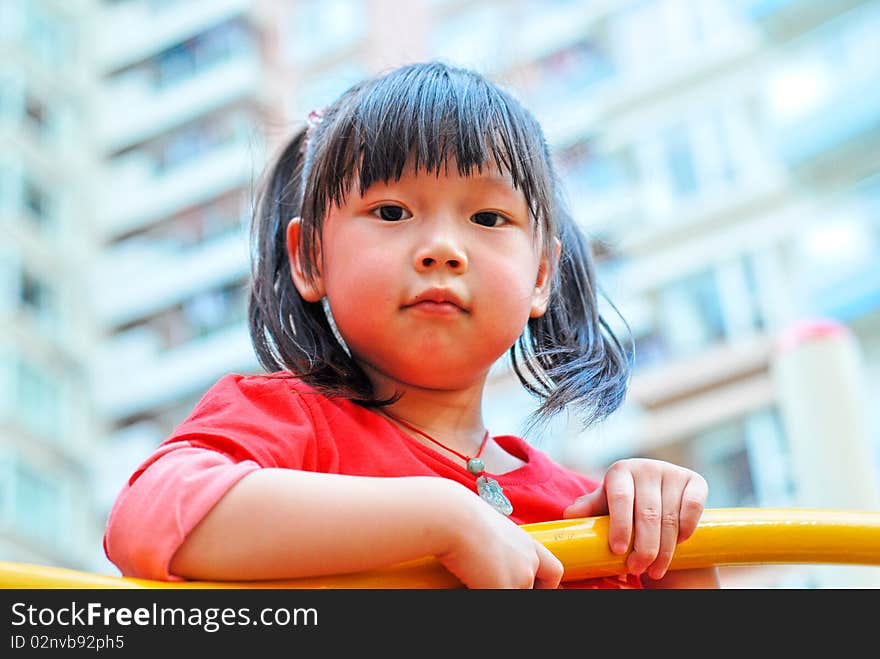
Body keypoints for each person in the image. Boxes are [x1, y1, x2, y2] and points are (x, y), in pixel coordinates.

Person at [103, 61, 719, 589]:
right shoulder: (287, 426)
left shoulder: (589, 517)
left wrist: (676, 554)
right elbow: (149, 517)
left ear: (540, 277)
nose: (443, 249)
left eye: (487, 216)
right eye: (391, 210)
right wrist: (438, 517)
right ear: (311, 258)